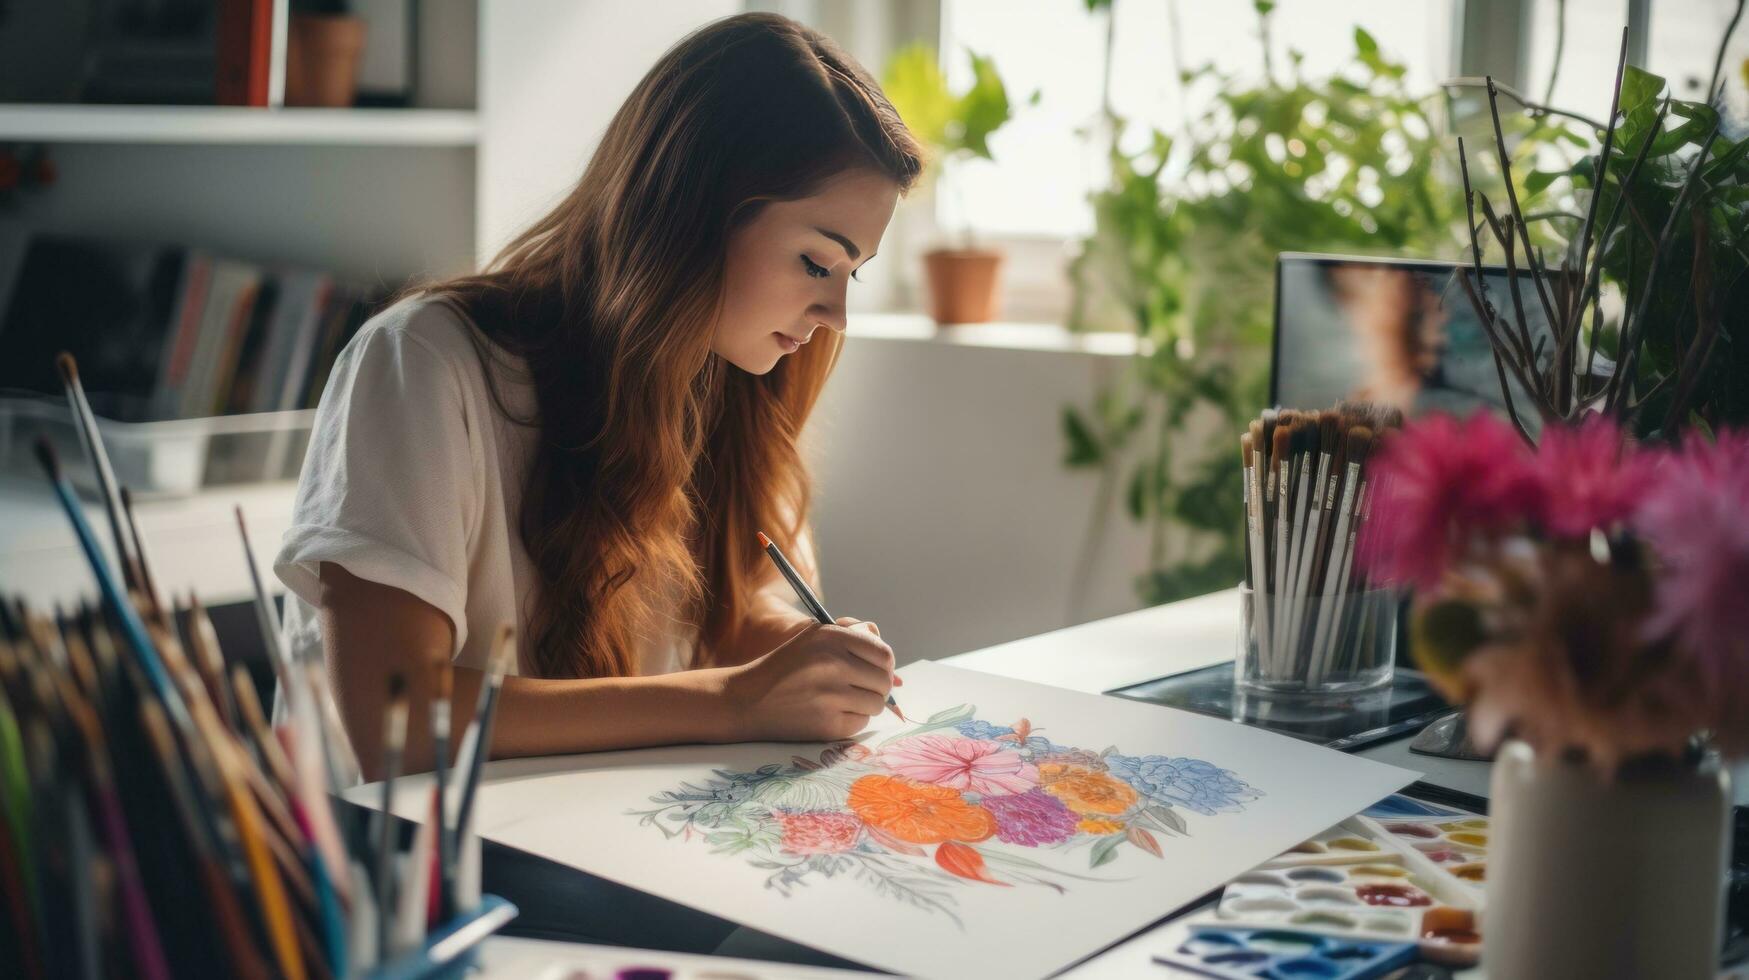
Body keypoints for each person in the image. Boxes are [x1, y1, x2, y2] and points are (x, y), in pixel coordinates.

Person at [273, 12, 923, 783]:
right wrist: (733, 703)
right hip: (414, 876)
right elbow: (398, 716)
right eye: (816, 263)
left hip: (598, 842)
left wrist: (804, 657)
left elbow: (733, 616)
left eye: (853, 273)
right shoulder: (424, 364)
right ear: (688, 214)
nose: (835, 318)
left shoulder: (735, 378)